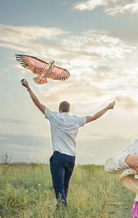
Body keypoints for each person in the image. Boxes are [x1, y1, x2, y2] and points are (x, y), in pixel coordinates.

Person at [21, 79, 115, 208]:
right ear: (69, 110)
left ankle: (63, 209)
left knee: (58, 186)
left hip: (59, 156)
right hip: (71, 157)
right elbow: (94, 117)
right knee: (65, 185)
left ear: (60, 109)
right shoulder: (75, 120)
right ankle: (61, 209)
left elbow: (37, 103)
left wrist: (28, 87)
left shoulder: (54, 116)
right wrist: (108, 107)